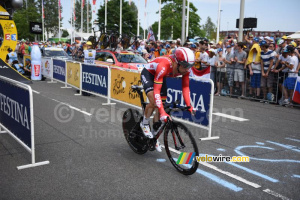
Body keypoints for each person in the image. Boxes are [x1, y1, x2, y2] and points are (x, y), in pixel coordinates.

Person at [140, 47, 195, 152]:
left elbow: (185, 87)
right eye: (186, 66)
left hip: (161, 76)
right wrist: (162, 113)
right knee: (155, 102)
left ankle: (154, 136)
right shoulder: (164, 65)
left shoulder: (185, 69)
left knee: (162, 106)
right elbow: (156, 91)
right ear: (177, 63)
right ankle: (144, 123)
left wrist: (189, 105)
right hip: (149, 74)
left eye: (190, 66)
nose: (188, 69)